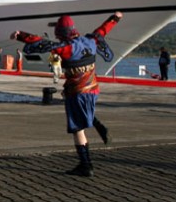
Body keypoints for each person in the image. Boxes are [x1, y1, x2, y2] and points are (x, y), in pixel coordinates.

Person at [11, 12, 122, 177]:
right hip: (93, 90)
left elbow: (42, 43)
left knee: (78, 129)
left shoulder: (66, 48)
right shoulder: (90, 41)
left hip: (77, 93)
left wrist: (20, 36)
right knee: (83, 116)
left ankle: (86, 165)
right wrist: (115, 18)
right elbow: (102, 31)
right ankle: (98, 127)